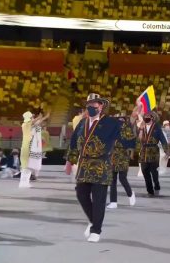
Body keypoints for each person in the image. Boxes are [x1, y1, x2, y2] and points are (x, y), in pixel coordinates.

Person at [67, 93, 120, 242]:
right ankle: (93, 220)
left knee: (99, 199)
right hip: (84, 165)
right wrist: (70, 161)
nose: (91, 107)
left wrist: (137, 118)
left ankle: (96, 230)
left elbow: (123, 135)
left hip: (101, 165)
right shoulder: (82, 123)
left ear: (101, 106)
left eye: (94, 104)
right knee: (81, 194)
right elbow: (73, 141)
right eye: (89, 104)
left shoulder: (110, 123)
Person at [107, 115, 137, 209]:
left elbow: (133, 142)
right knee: (112, 180)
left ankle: (130, 194)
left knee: (122, 178)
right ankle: (113, 201)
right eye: (118, 120)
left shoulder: (128, 130)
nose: (120, 121)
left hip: (123, 156)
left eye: (122, 120)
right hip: (113, 156)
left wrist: (131, 151)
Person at [138, 111, 169, 196]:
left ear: (152, 118)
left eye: (148, 116)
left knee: (154, 172)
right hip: (144, 151)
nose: (146, 118)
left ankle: (157, 186)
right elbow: (139, 139)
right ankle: (150, 191)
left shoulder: (157, 127)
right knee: (145, 171)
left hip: (153, 151)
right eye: (145, 116)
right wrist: (140, 129)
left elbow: (163, 139)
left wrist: (167, 151)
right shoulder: (142, 127)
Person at [19, 111, 50, 188]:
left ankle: (25, 182)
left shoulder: (31, 125)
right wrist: (41, 117)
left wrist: (44, 117)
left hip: (29, 146)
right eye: (31, 117)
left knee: (28, 166)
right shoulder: (26, 124)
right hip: (27, 146)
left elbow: (37, 122)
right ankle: (23, 183)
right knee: (26, 166)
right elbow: (34, 122)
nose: (33, 118)